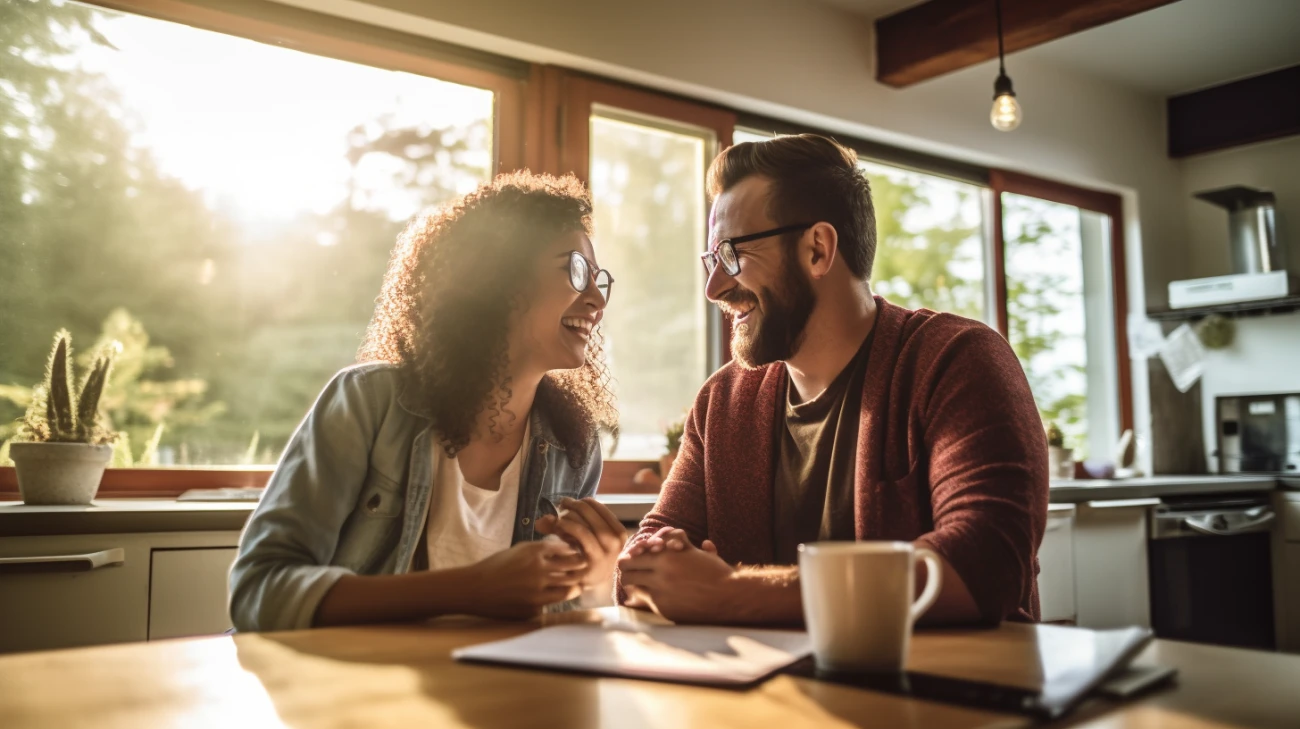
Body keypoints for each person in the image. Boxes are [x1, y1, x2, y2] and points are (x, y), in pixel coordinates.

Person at [616, 135, 1049, 626]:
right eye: (712, 260)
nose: (714, 287)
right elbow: (643, 565)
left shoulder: (955, 361)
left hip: (948, 677)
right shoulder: (721, 402)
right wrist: (655, 569)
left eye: (732, 254)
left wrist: (729, 592)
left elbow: (984, 565)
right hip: (770, 678)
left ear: (818, 250)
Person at [230, 172, 629, 632]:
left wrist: (594, 583)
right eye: (576, 270)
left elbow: (550, 629)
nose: (596, 300)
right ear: (497, 279)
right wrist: (469, 589)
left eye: (598, 279)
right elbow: (258, 592)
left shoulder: (574, 445)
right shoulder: (368, 403)